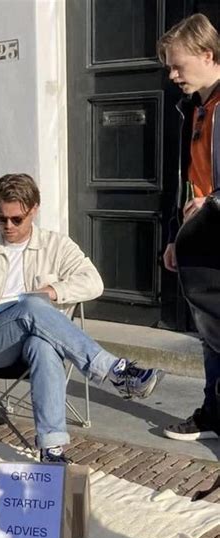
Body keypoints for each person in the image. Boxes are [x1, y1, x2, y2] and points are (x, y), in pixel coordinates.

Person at [0, 173, 164, 463]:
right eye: (1, 219)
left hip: (38, 342)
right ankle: (114, 370)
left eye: (16, 219)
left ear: (34, 210)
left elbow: (94, 283)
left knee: (43, 345)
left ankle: (52, 448)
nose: (8, 226)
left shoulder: (56, 245)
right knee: (32, 306)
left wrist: (53, 291)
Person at [157, 13, 220, 441]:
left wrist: (214, 203)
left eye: (178, 65)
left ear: (208, 54)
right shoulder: (197, 109)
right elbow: (194, 181)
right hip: (205, 239)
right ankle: (213, 413)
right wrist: (179, 238)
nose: (172, 74)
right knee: (210, 330)